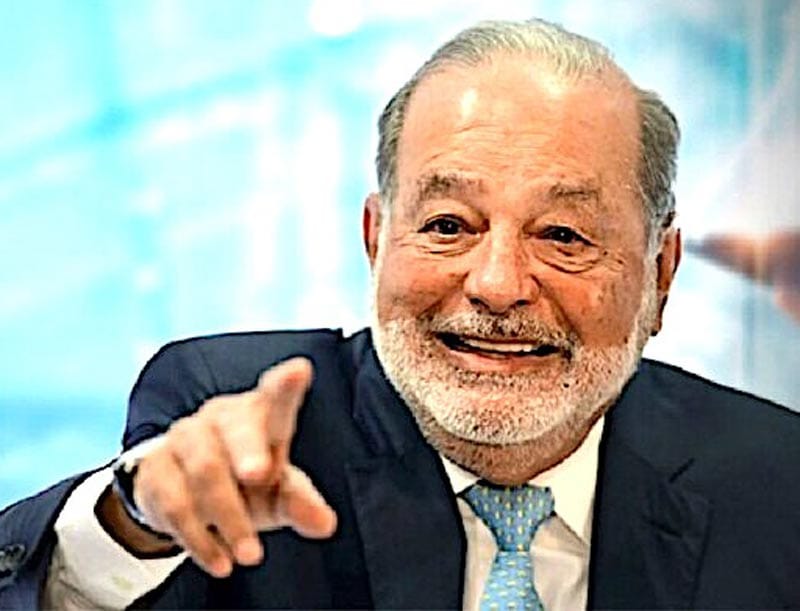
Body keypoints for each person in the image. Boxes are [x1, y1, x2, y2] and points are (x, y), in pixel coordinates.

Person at [1, 17, 799, 610]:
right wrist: (133, 520)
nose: (496, 284)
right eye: (449, 225)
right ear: (376, 240)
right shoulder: (235, 415)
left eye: (562, 235)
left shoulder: (774, 484)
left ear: (660, 273)